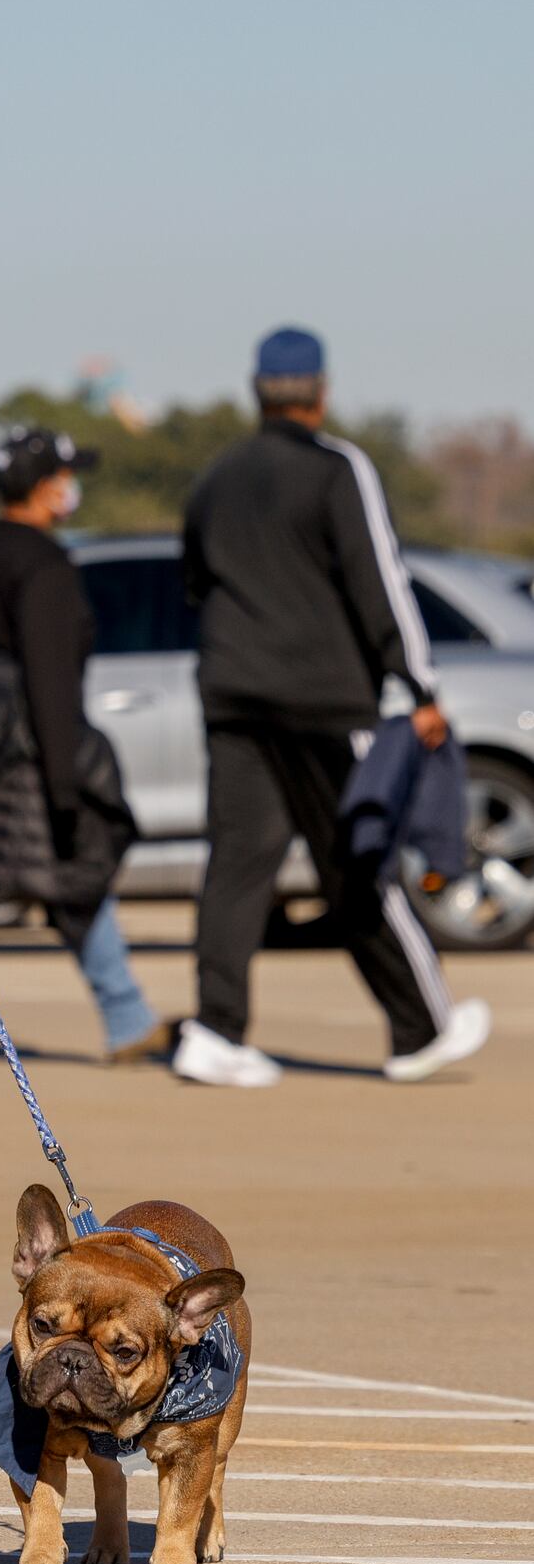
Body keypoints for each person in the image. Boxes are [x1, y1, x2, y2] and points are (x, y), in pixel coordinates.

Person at [176, 326, 491, 1087]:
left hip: (232, 692)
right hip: (319, 698)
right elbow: (379, 579)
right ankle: (422, 1029)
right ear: (321, 391)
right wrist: (419, 684)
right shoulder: (338, 467)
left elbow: (192, 580)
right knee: (359, 861)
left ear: (258, 391)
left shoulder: (216, 476)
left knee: (238, 866)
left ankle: (214, 1032)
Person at [0, 428, 167, 1067]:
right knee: (77, 876)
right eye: (66, 476)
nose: (72, 488)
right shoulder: (44, 562)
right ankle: (127, 1021)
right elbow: (50, 678)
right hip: (25, 746)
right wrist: (66, 779)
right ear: (45, 489)